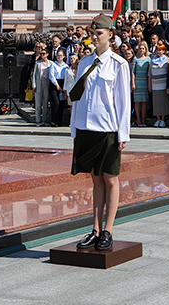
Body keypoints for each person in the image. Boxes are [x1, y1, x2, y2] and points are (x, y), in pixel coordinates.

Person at [67, 15, 130, 252]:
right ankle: (95, 229)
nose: (94, 37)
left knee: (110, 179)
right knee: (95, 180)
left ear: (110, 35)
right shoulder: (84, 62)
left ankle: (108, 230)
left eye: (99, 33)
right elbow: (78, 97)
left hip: (108, 129)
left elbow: (123, 102)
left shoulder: (118, 64)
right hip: (87, 128)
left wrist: (123, 134)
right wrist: (74, 127)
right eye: (92, 33)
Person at [148, 43, 169, 128]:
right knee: (156, 103)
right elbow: (149, 74)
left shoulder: (167, 60)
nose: (159, 51)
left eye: (160, 50)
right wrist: (150, 86)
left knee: (163, 102)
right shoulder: (153, 61)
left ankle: (163, 119)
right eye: (157, 50)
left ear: (164, 51)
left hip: (163, 85)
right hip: (155, 85)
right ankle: (158, 119)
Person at [31, 43, 51, 127]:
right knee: (38, 103)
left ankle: (44, 120)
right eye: (41, 54)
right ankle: (38, 120)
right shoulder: (38, 63)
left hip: (46, 83)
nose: (42, 55)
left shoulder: (51, 63)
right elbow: (34, 74)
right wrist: (34, 85)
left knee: (45, 103)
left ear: (47, 54)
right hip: (39, 83)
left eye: (43, 54)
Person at [131, 44, 151, 128]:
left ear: (145, 50)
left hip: (145, 82)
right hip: (138, 82)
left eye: (143, 48)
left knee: (144, 102)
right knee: (137, 102)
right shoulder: (135, 59)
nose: (141, 50)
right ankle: (138, 120)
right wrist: (133, 83)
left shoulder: (148, 59)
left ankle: (143, 119)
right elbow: (133, 72)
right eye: (140, 48)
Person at [48, 48, 68, 127]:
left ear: (63, 56)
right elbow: (51, 75)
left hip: (62, 82)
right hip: (54, 83)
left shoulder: (66, 66)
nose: (59, 57)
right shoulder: (53, 64)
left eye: (61, 55)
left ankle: (59, 121)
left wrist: (63, 86)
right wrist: (57, 85)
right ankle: (54, 120)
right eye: (58, 55)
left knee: (62, 103)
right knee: (55, 102)